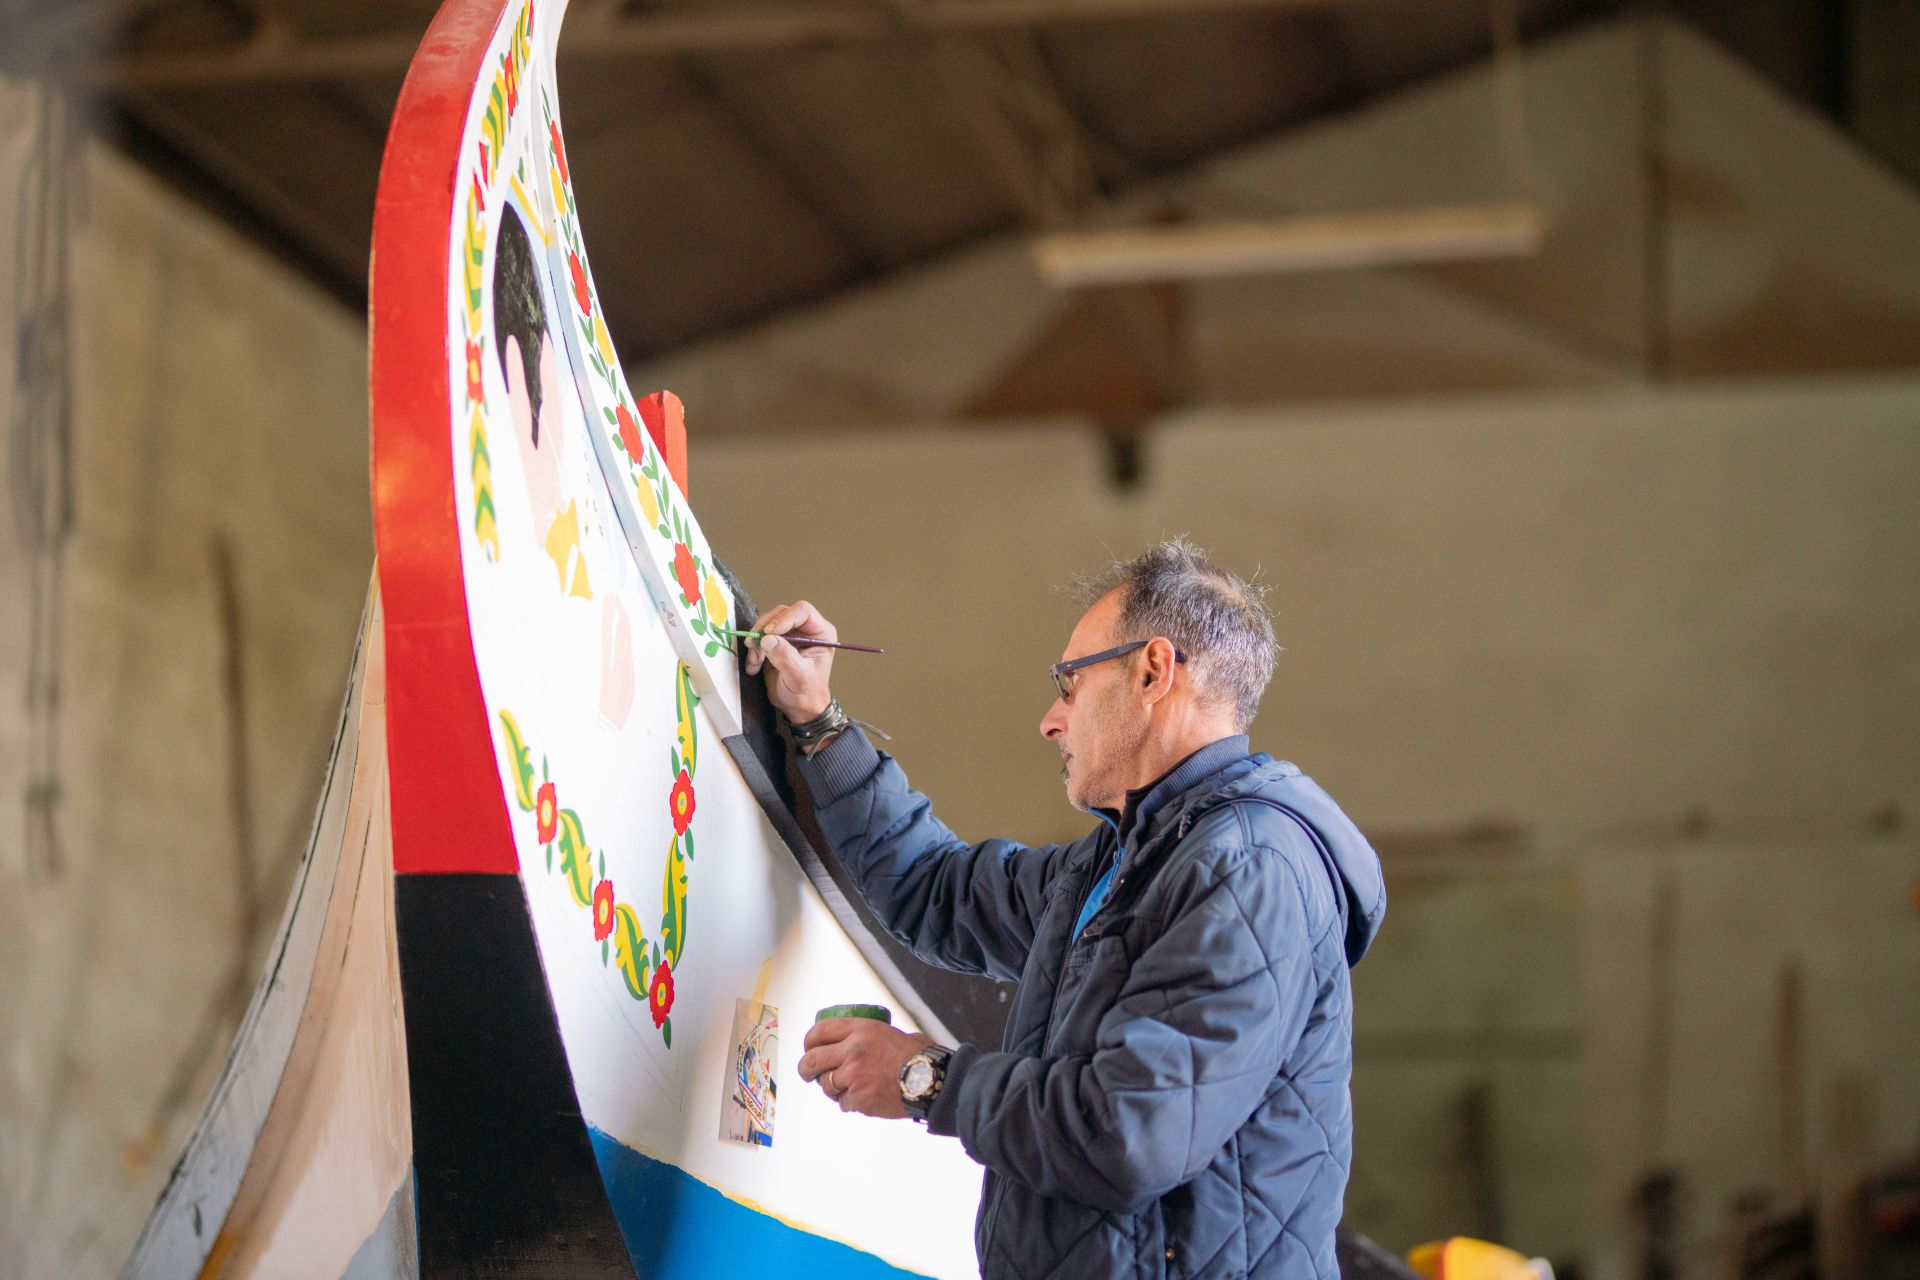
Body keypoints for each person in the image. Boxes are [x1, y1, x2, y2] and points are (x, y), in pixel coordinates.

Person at [750, 538, 1385, 1279]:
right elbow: (933, 887)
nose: (1052, 721)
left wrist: (926, 1078)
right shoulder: (1122, 864)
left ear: (1153, 671)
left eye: (1069, 683)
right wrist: (818, 721)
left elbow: (1131, 1130)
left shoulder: (1245, 867)